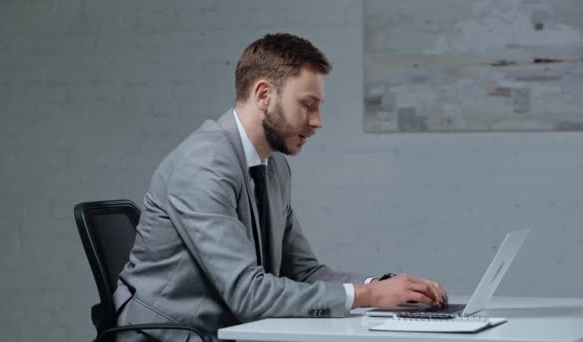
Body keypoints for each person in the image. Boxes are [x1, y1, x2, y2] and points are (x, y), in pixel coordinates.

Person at [113, 33, 447, 342]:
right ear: (263, 95)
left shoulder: (272, 167)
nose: (317, 121)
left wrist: (381, 287)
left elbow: (304, 271)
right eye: (307, 104)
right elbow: (249, 294)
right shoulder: (202, 166)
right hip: (168, 336)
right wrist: (367, 297)